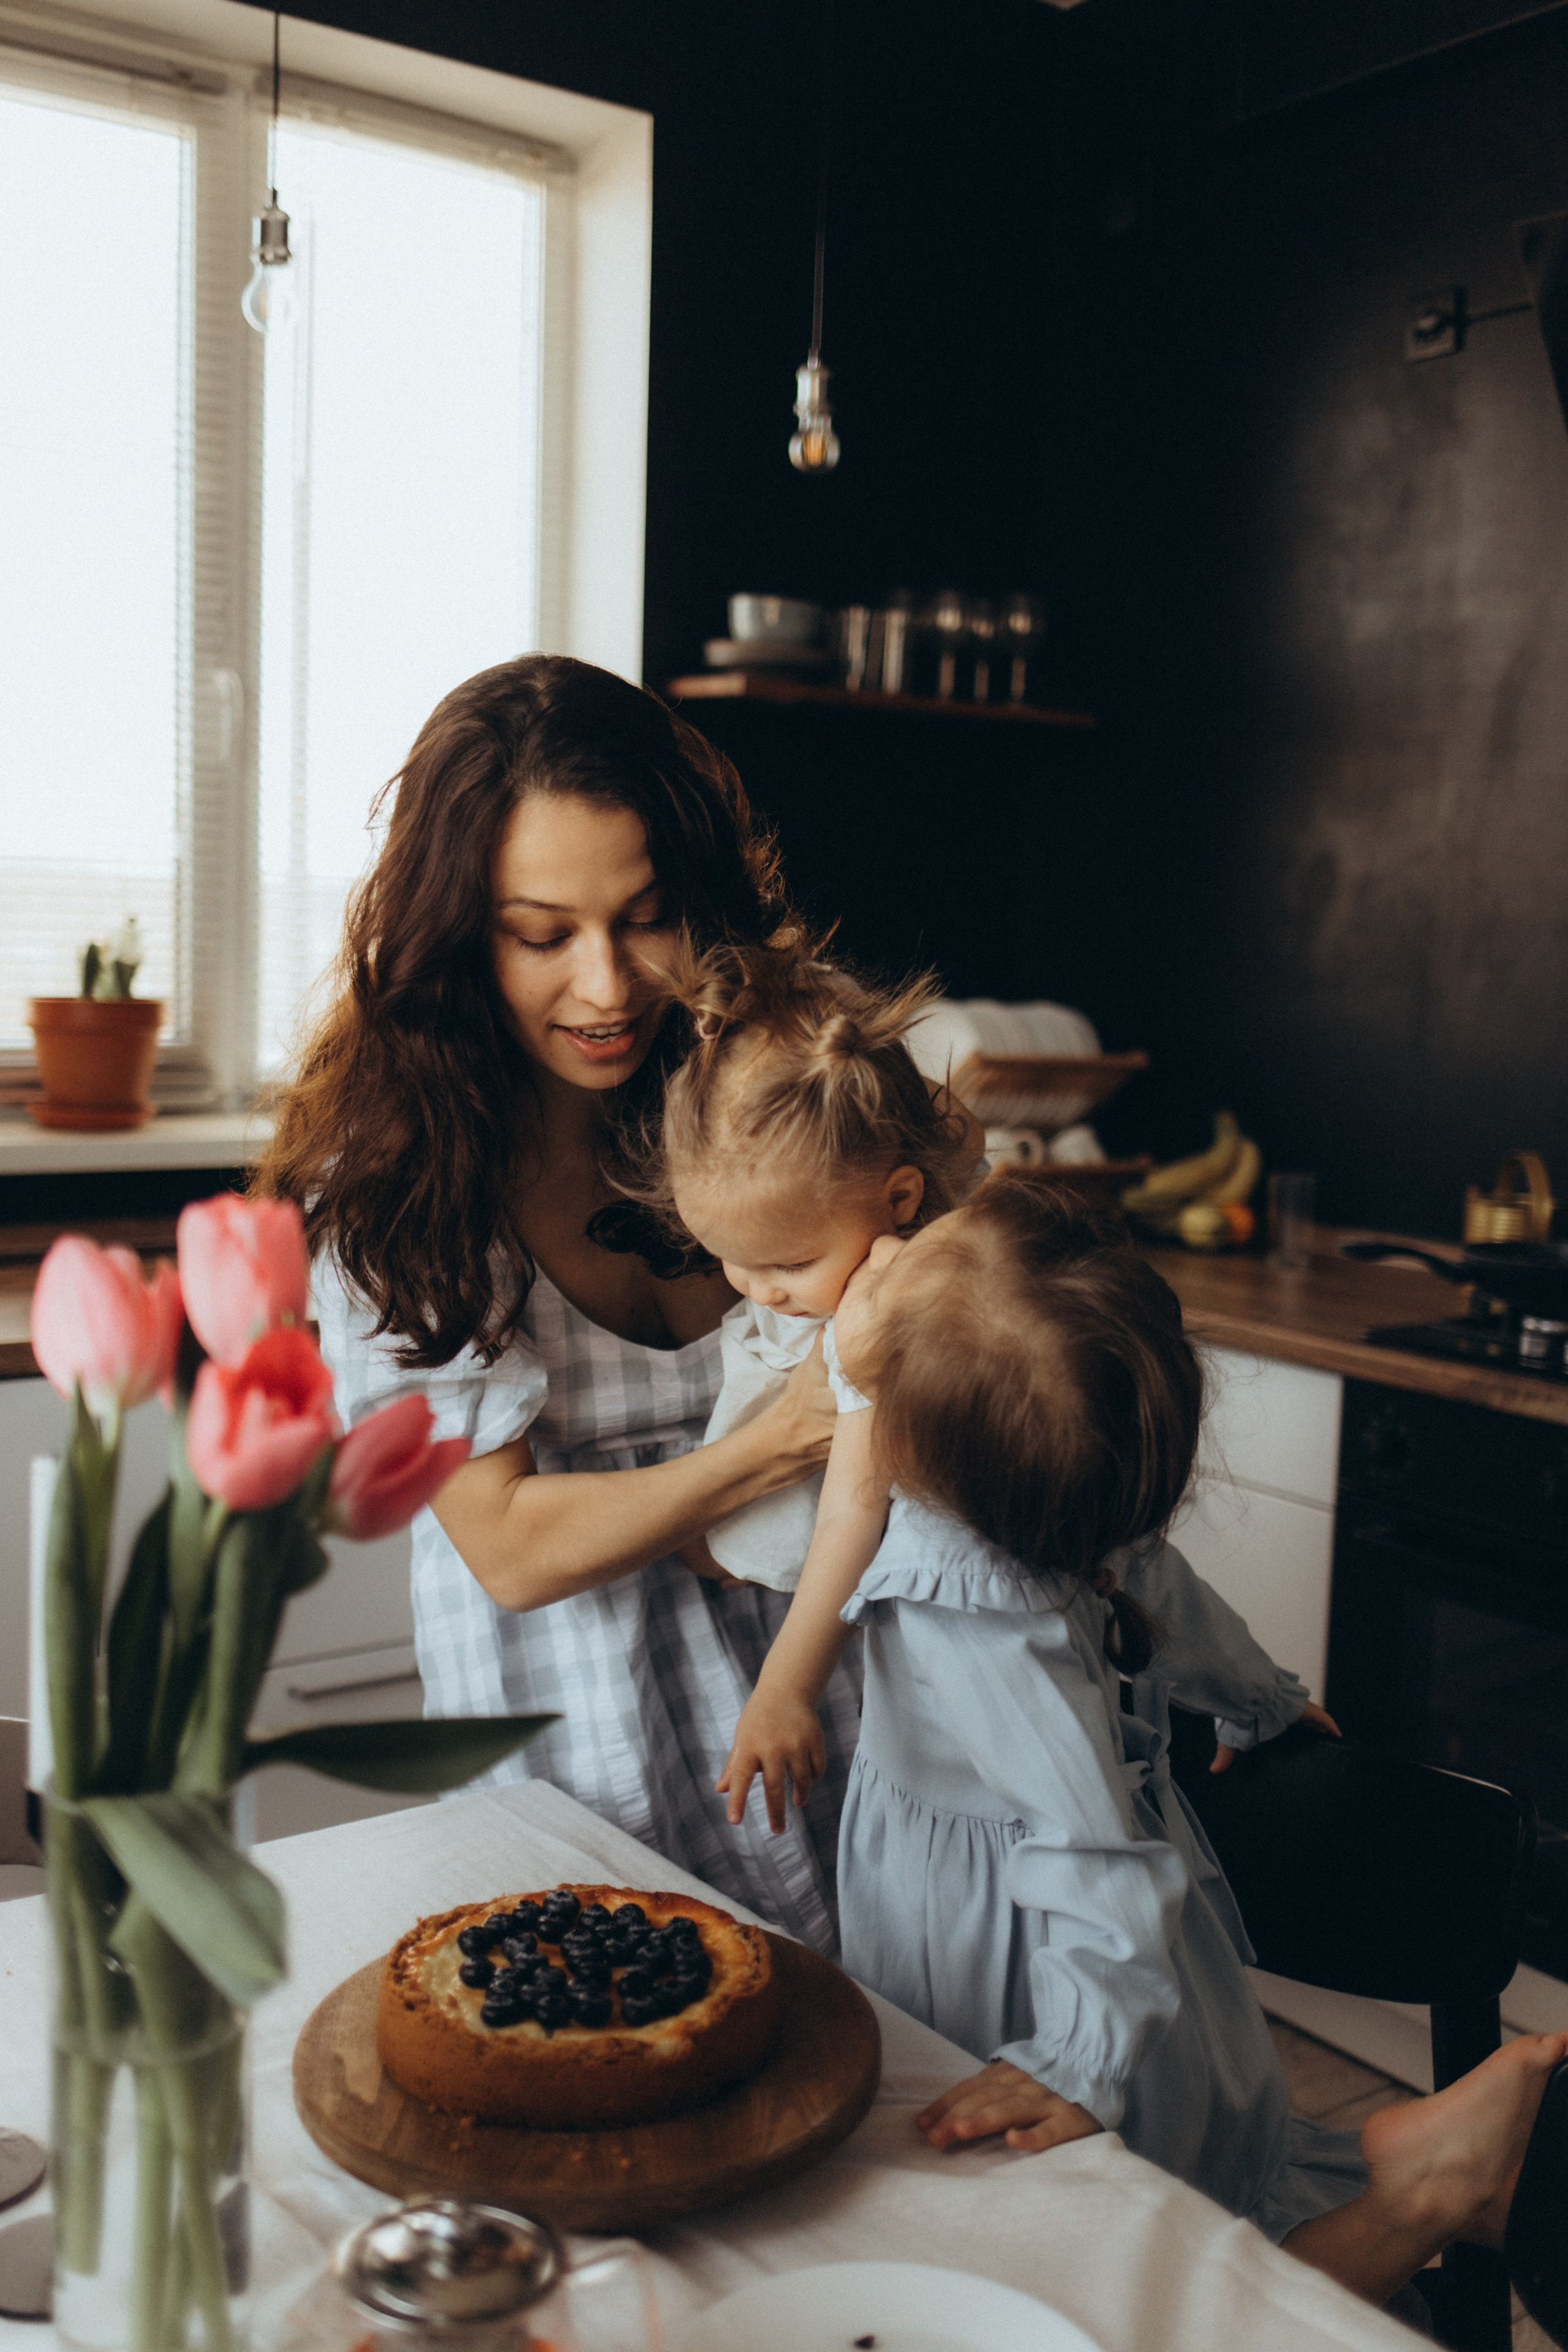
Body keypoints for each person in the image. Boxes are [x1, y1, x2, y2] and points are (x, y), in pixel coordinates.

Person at [701, 1161, 1568, 2309]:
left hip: (1030, 1955)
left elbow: (1093, 1853)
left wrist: (1076, 2063)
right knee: (1186, 2195)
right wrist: (1260, 1698)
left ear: (903, 1436)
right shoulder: (1062, 1509)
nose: (875, 1280)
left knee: (1112, 2264)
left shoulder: (976, 1610)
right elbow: (1176, 1607)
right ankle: (1401, 2167)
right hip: (1105, 1950)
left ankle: (1424, 2193)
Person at [258, 654, 859, 1953]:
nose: (607, 985)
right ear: (456, 935)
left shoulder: (765, 1093)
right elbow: (512, 1548)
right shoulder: (396, 1181)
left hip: (836, 1706)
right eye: (542, 935)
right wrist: (783, 1440)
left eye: (646, 917)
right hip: (590, 1764)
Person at [650, 940, 978, 1598]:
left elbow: (852, 1513)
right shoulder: (810, 1276)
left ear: (900, 1200)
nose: (758, 1290)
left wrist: (743, 1550)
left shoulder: (901, 1313)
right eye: (728, 1258)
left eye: (791, 1263)